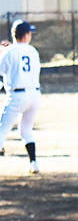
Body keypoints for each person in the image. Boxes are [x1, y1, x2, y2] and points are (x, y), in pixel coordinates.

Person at [0, 20, 41, 173]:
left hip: (17, 95)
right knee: (26, 130)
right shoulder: (33, 51)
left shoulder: (9, 51)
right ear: (26, 35)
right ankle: (34, 163)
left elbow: (1, 71)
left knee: (2, 129)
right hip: (35, 94)